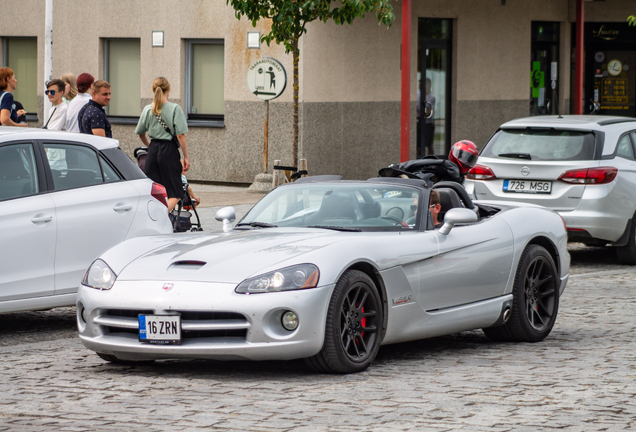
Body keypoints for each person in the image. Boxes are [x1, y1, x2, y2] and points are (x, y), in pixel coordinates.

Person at [136, 77, 190, 212]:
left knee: (155, 191)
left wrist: (150, 147)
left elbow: (141, 133)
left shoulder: (148, 109)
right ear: (169, 90)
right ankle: (161, 218)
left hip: (153, 150)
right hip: (169, 151)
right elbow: (180, 135)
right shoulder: (175, 109)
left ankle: (153, 216)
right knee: (176, 192)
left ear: (153, 90)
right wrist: (186, 156)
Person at [423, 78, 436, 156]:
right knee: (418, 145)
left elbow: (429, 111)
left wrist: (422, 115)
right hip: (419, 122)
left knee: (429, 144)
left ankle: (431, 160)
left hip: (428, 123)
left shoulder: (432, 97)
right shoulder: (418, 95)